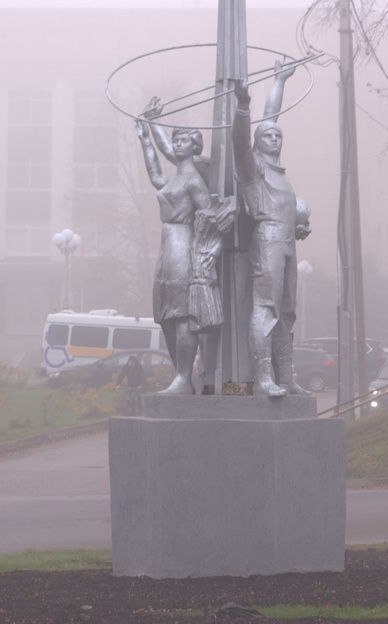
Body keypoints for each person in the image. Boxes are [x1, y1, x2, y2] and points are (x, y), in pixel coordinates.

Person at [232, 60, 311, 396]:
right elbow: (242, 137)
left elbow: (272, 118)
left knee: (288, 312)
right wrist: (243, 106)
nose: (275, 138)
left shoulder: (282, 173)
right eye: (268, 136)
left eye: (278, 136)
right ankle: (263, 377)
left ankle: (286, 375)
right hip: (266, 242)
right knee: (266, 309)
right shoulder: (254, 170)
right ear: (258, 142)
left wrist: (280, 80)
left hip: (289, 244)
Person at [135, 100, 213, 395]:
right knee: (165, 314)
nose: (179, 144)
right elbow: (156, 176)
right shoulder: (176, 178)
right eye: (177, 138)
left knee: (181, 314)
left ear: (195, 146)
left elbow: (207, 216)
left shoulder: (195, 180)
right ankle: (179, 375)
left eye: (185, 140)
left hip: (184, 244)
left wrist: (205, 255)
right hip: (166, 247)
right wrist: (146, 139)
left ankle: (183, 377)